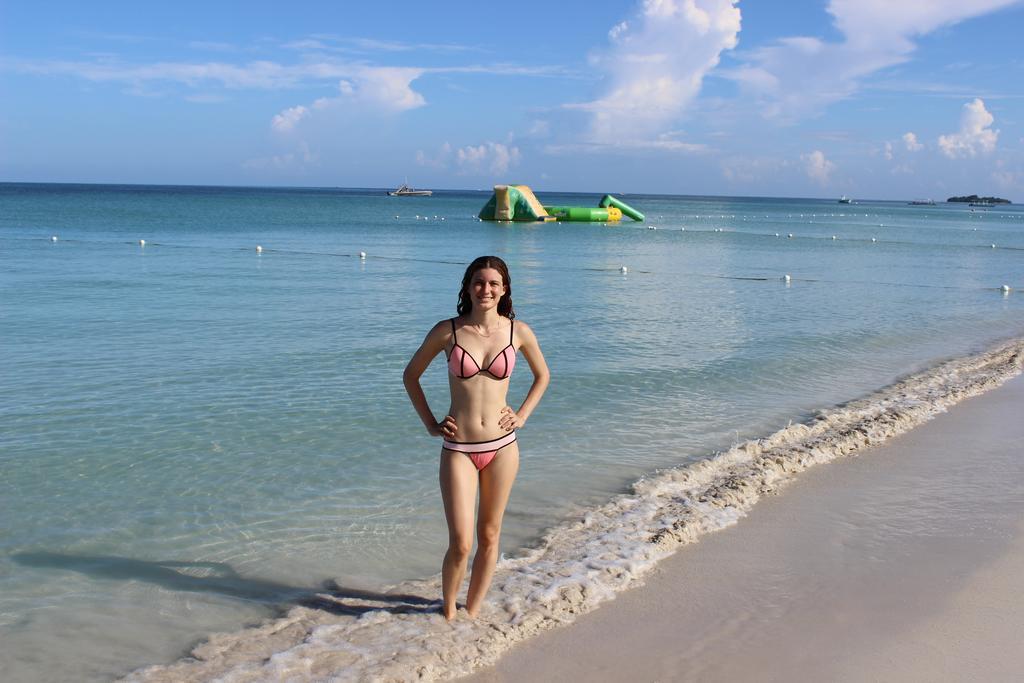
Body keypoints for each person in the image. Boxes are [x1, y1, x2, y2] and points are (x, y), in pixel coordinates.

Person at [403, 255, 550, 620]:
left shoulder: (519, 332)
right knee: (461, 542)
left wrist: (522, 416)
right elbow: (411, 376)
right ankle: (448, 612)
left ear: (504, 290)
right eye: (479, 282)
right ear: (468, 287)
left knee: (489, 535)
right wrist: (430, 423)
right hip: (458, 448)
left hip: (503, 448)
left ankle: (472, 613)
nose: (486, 289)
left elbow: (543, 376)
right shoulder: (447, 331)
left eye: (493, 284)